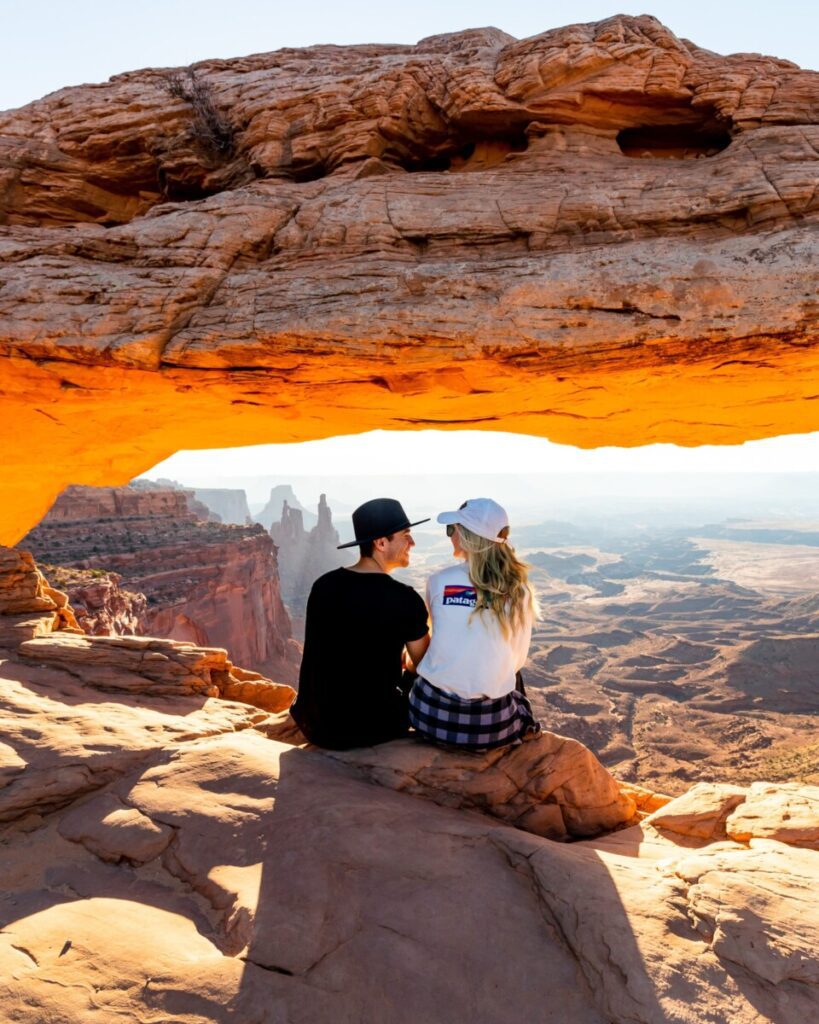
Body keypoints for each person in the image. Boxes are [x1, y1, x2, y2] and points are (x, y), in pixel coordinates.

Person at [290, 497, 431, 750]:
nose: (412, 542)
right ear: (380, 542)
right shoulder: (405, 598)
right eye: (406, 535)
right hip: (374, 728)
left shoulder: (323, 585)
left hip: (316, 727)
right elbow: (425, 665)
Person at [409, 498, 541, 750]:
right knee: (512, 675)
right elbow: (516, 661)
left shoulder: (438, 581)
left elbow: (439, 643)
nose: (450, 536)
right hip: (491, 729)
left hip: (430, 717)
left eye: (452, 530)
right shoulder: (519, 590)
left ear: (468, 536)